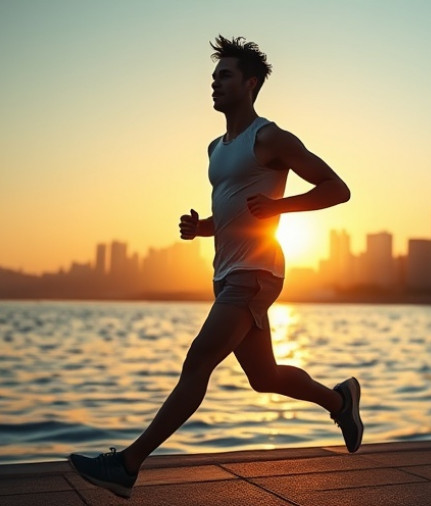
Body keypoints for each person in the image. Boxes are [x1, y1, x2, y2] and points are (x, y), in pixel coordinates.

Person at [69, 35, 362, 499]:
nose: (214, 83)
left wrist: (279, 205)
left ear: (250, 84)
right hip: (226, 273)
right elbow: (233, 210)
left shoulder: (270, 138)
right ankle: (340, 400)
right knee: (264, 377)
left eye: (224, 75)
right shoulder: (216, 147)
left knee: (198, 361)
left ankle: (126, 465)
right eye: (213, 76)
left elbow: (337, 189)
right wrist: (202, 227)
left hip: (256, 273)